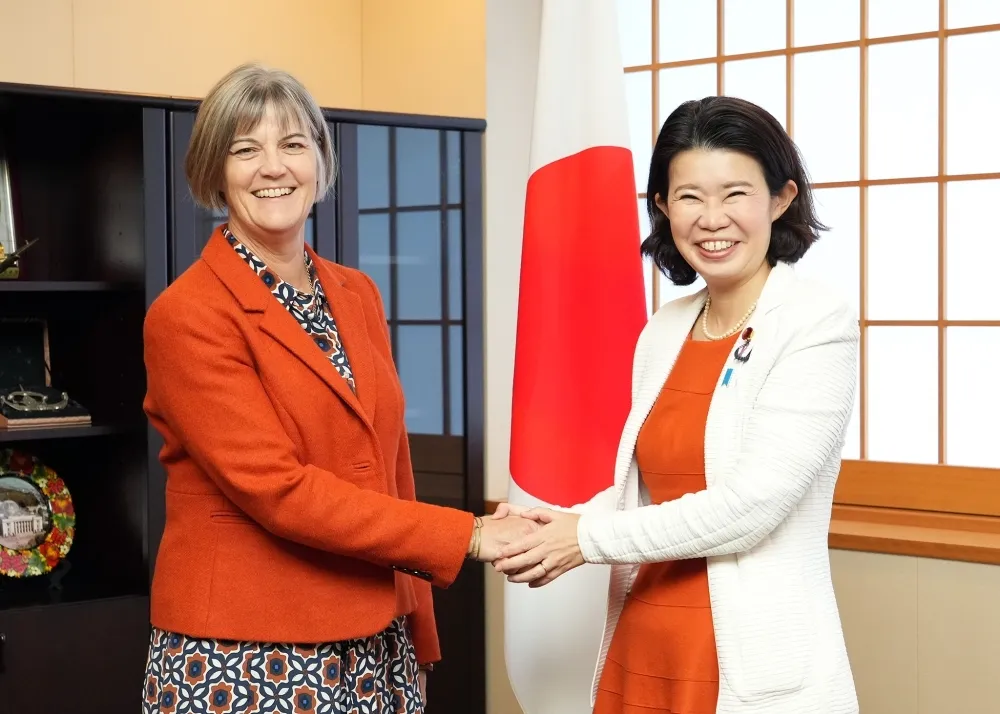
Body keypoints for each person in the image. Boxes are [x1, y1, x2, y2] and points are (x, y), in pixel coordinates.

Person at [140, 62, 536, 714]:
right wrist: (467, 535)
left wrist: (419, 630)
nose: (274, 167)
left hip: (377, 636)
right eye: (247, 150)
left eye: (294, 145)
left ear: (321, 163)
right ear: (215, 171)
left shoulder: (356, 292)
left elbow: (390, 470)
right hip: (246, 645)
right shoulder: (188, 315)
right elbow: (280, 491)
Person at [494, 96, 860, 714]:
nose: (712, 218)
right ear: (662, 206)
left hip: (744, 661)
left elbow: (750, 508)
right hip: (643, 639)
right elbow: (640, 490)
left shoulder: (814, 322)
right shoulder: (665, 326)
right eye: (689, 196)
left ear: (781, 198)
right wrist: (550, 524)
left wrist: (583, 537)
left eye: (735, 193)